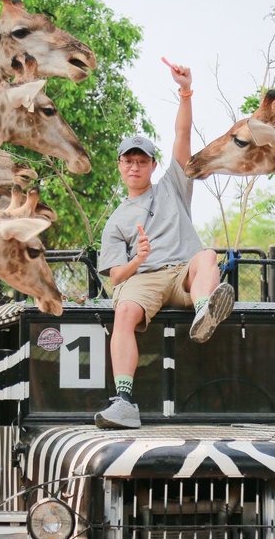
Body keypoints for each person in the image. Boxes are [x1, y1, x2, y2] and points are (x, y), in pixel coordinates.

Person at [94, 60, 234, 429]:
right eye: (129, 161)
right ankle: (124, 401)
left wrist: (186, 92)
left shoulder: (172, 185)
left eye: (142, 161)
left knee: (207, 255)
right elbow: (115, 276)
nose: (135, 167)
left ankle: (205, 312)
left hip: (184, 274)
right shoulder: (116, 221)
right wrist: (138, 258)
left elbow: (182, 134)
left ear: (154, 166)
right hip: (144, 278)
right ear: (120, 167)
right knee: (122, 313)